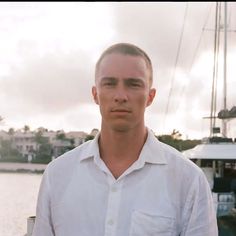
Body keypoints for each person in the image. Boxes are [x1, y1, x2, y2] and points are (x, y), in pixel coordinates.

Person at [32, 43, 218, 236]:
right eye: (110, 83)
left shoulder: (188, 181)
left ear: (150, 96)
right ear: (96, 94)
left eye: (133, 84)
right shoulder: (57, 175)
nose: (121, 96)